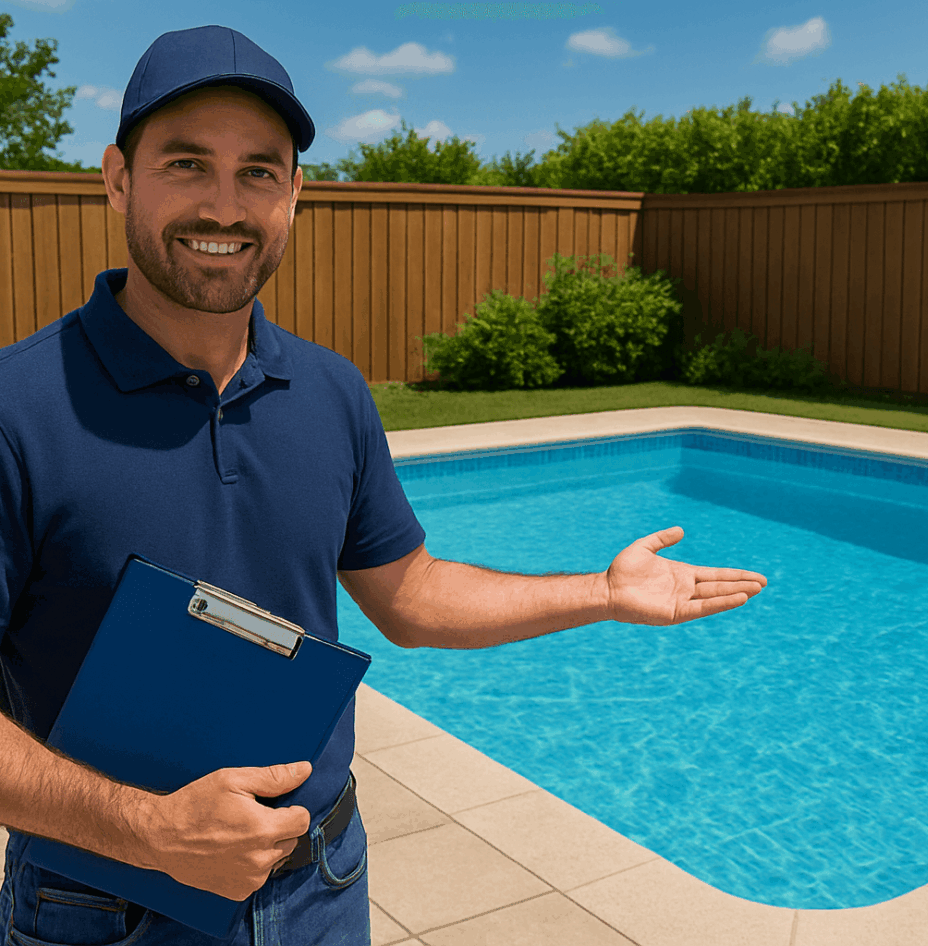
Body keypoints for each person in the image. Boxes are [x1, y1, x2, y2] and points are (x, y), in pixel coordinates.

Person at [0, 23, 768, 946]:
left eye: (259, 171)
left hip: (321, 883)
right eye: (187, 164)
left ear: (294, 194)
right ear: (118, 177)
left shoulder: (330, 393)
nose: (224, 206)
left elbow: (410, 596)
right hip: (101, 907)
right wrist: (150, 830)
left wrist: (601, 593)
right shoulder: (21, 406)